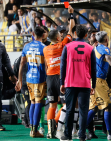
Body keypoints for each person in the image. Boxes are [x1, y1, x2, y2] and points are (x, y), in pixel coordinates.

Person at [59, 24, 95, 141]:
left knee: (69, 110)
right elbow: (93, 69)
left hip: (70, 83)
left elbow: (62, 66)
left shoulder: (68, 47)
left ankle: (67, 135)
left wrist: (61, 82)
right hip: (85, 83)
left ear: (75, 34)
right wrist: (93, 85)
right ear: (86, 35)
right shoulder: (90, 48)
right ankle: (82, 136)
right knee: (83, 111)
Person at [43, 6, 74, 139]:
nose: (62, 36)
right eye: (60, 35)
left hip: (50, 78)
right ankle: (57, 124)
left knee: (52, 105)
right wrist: (71, 15)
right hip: (61, 78)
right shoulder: (62, 45)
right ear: (57, 37)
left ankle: (50, 131)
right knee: (67, 104)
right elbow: (71, 30)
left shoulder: (45, 49)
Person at [15, 26, 47, 138]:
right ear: (43, 35)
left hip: (28, 78)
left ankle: (32, 129)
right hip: (40, 78)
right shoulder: (44, 47)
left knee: (33, 102)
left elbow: (21, 63)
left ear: (33, 34)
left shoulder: (27, 46)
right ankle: (34, 130)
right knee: (38, 102)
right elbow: (46, 66)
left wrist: (19, 80)